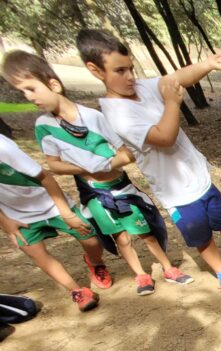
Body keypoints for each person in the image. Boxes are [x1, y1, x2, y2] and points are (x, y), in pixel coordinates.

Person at [77, 29, 221, 294]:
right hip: (177, 192)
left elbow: (175, 79)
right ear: (95, 70)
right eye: (120, 71)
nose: (130, 77)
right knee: (201, 236)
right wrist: (172, 103)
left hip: (199, 178)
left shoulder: (141, 88)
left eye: (131, 68)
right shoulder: (117, 114)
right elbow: (165, 137)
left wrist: (207, 64)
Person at [3, 51, 190, 297]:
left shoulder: (94, 117)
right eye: (22, 93)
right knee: (121, 237)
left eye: (31, 89)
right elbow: (54, 165)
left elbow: (126, 153)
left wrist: (106, 163)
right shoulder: (44, 127)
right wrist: (88, 167)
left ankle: (168, 268)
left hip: (120, 187)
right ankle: (140, 275)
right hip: (93, 192)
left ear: (54, 85)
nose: (29, 97)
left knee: (145, 232)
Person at [0, 134, 104, 311]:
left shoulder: (3, 148)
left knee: (91, 240)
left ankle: (95, 263)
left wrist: (66, 213)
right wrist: (5, 221)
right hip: (17, 215)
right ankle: (77, 291)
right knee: (35, 253)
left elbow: (45, 177)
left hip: (50, 203)